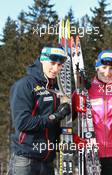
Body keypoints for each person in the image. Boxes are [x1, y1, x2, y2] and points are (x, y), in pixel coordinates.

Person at [8, 44, 72, 175]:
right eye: (52, 63)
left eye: (59, 65)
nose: (55, 69)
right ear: (42, 59)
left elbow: (54, 122)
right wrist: (56, 116)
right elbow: (23, 123)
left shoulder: (56, 89)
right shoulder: (25, 85)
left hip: (47, 162)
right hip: (26, 161)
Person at [73, 50, 112, 175]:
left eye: (111, 68)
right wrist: (74, 138)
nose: (107, 72)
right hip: (90, 152)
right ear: (97, 67)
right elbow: (69, 118)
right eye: (103, 67)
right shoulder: (86, 89)